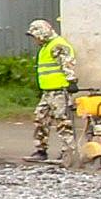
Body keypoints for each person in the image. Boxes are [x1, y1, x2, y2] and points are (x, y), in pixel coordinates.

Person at [28, 17, 75, 160]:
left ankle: (68, 152)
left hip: (60, 91)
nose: (34, 40)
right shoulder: (45, 47)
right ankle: (40, 151)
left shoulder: (58, 45)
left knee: (63, 121)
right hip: (48, 92)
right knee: (40, 119)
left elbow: (67, 64)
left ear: (43, 33)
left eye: (35, 36)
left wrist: (71, 81)